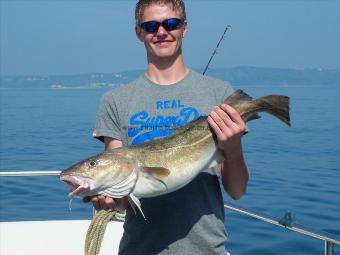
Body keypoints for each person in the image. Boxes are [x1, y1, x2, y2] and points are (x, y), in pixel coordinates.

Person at [89, 0, 249, 254]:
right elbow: (122, 195)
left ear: (184, 28)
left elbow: (237, 191)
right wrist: (107, 196)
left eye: (171, 23)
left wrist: (233, 147)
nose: (161, 32)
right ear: (138, 32)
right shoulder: (114, 101)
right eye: (151, 25)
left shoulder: (219, 94)